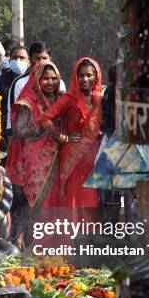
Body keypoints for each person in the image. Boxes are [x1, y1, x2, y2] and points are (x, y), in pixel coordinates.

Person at [5, 62, 61, 248]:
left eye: (54, 78)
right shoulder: (27, 101)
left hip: (54, 160)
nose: (50, 82)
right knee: (29, 205)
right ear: (36, 80)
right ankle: (23, 245)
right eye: (46, 78)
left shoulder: (60, 98)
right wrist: (43, 126)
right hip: (30, 160)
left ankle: (45, 244)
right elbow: (19, 130)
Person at [36, 57, 104, 209]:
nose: (84, 79)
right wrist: (62, 137)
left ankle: (89, 231)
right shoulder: (69, 98)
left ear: (96, 76)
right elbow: (45, 119)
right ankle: (70, 231)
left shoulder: (99, 98)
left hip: (93, 155)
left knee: (90, 194)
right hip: (72, 154)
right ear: (75, 76)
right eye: (81, 75)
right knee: (72, 193)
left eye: (89, 75)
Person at [6, 41, 67, 135]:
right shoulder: (20, 83)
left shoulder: (59, 83)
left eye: (44, 58)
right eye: (37, 58)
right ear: (30, 60)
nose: (41, 62)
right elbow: (13, 115)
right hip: (28, 137)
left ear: (50, 59)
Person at [0, 45, 29, 147]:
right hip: (3, 130)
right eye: (14, 57)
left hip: (29, 130)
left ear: (29, 62)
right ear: (9, 61)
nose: (18, 60)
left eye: (22, 58)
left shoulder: (33, 80)